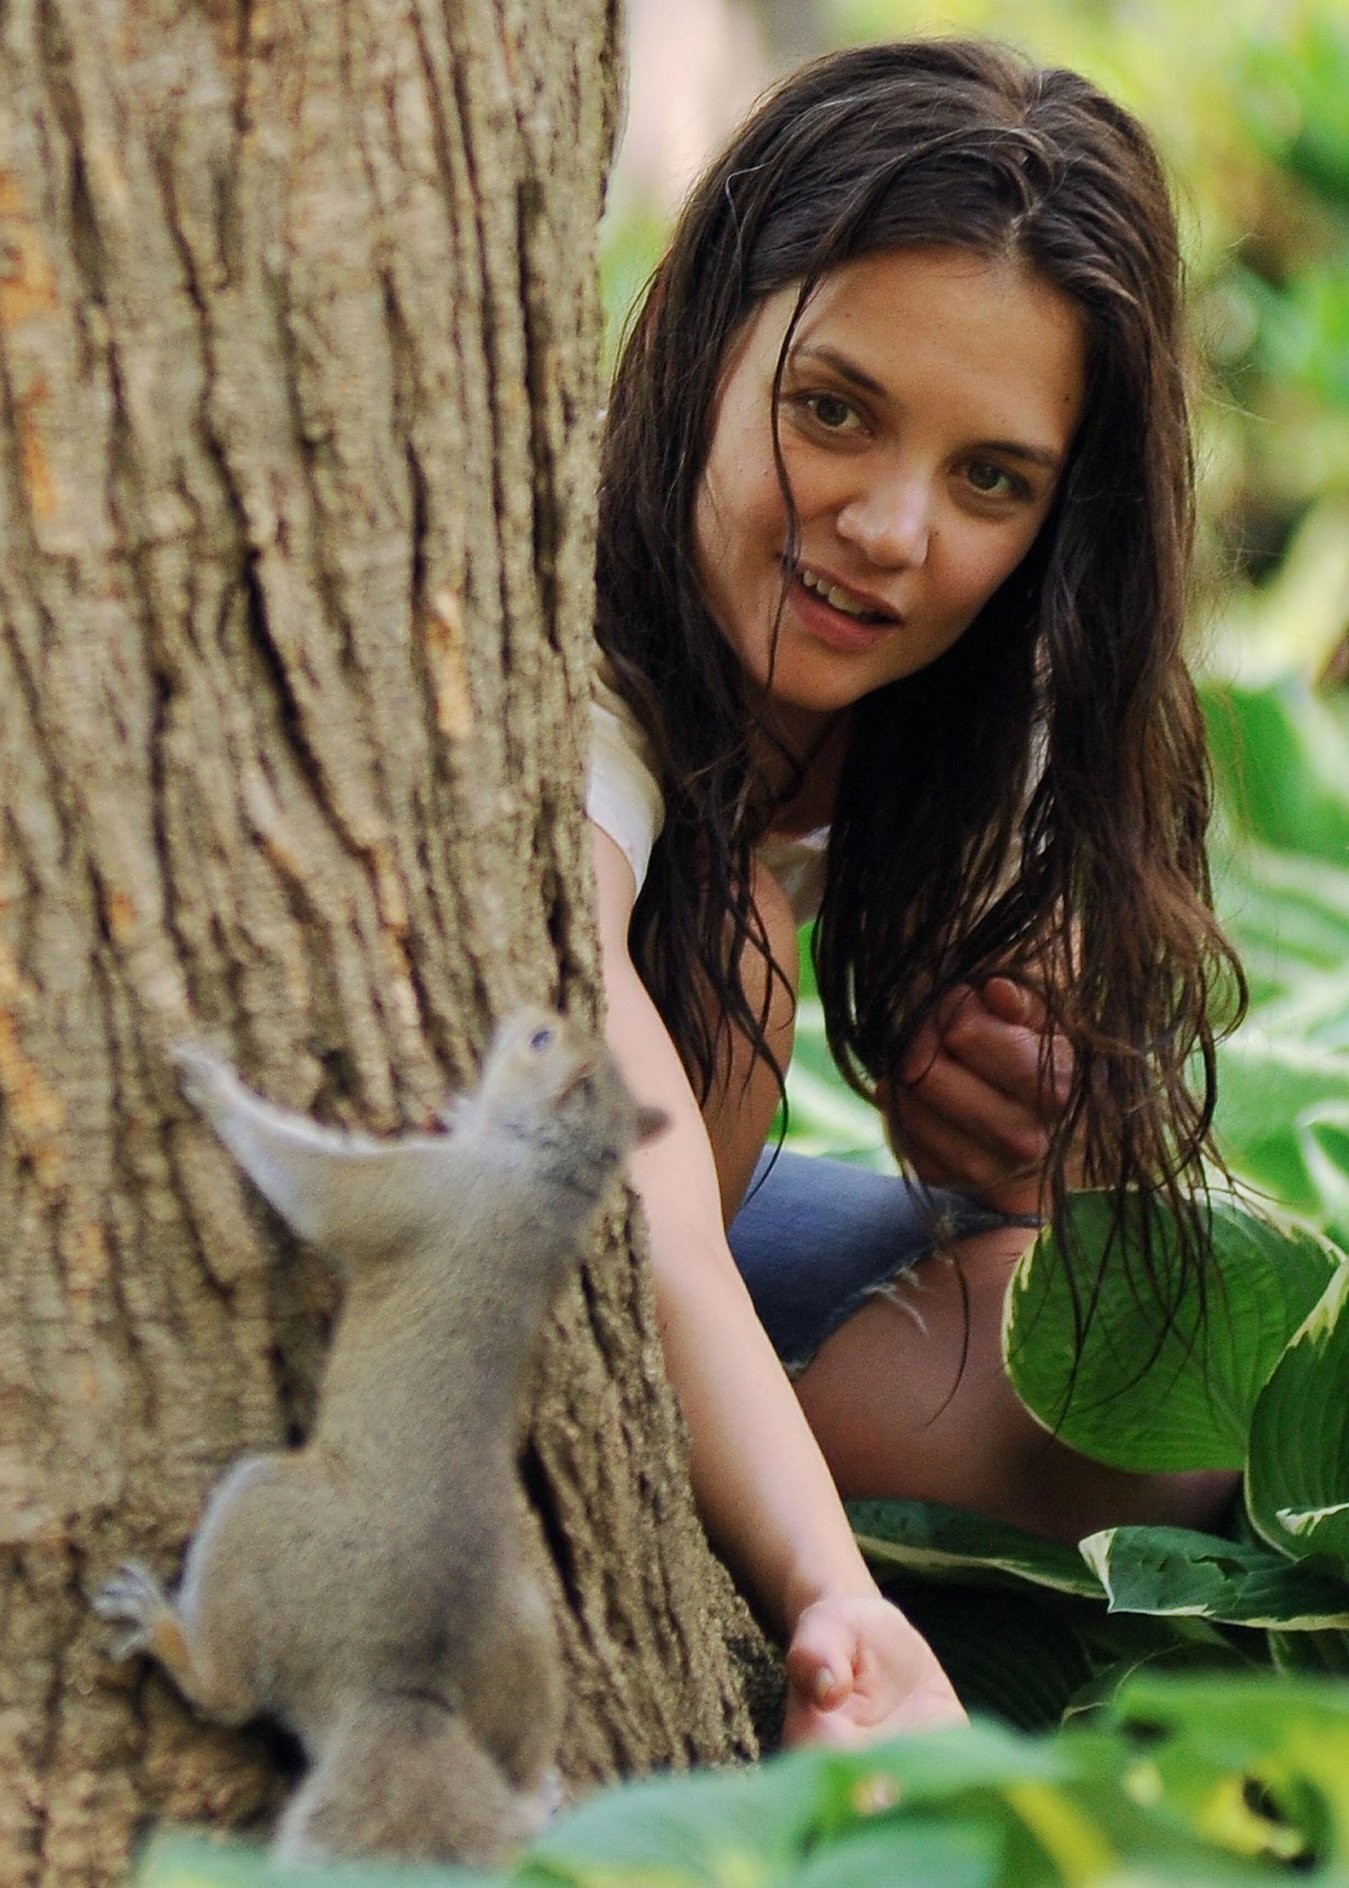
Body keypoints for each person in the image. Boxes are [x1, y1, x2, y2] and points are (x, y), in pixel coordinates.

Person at [587, 38, 1245, 1745]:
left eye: (989, 479)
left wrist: (1063, 1147)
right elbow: (618, 1142)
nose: (890, 531)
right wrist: (829, 1590)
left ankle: (729, 1468)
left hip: (731, 1253)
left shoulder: (962, 697)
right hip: (556, 1256)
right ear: (706, 340)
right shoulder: (581, 675)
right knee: (721, 942)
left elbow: (1156, 1274)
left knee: (1155, 1380)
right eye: (833, 410)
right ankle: (723, 1503)